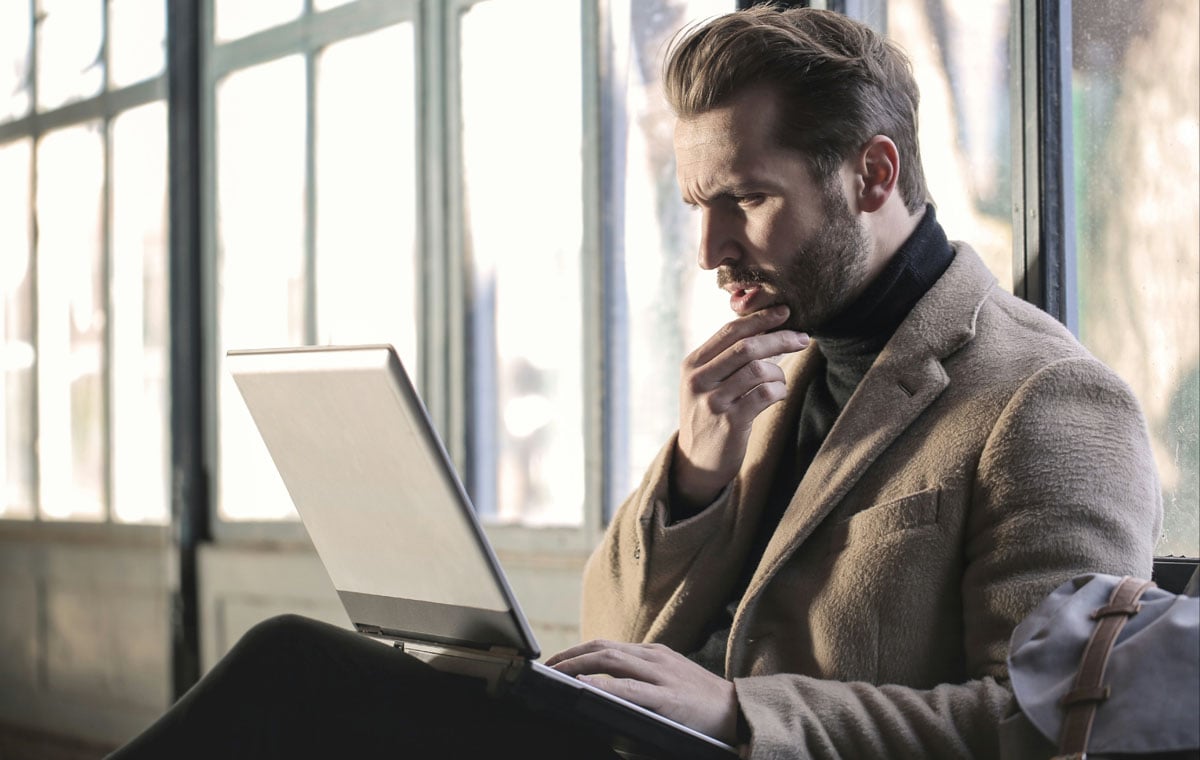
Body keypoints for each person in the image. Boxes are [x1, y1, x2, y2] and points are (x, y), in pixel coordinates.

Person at [108, 7, 1161, 760]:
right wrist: (698, 473)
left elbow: (1050, 730)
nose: (710, 250)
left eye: (746, 198)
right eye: (698, 202)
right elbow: (612, 624)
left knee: (297, 673)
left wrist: (743, 712)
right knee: (305, 682)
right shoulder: (772, 367)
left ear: (873, 177)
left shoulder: (1049, 400)